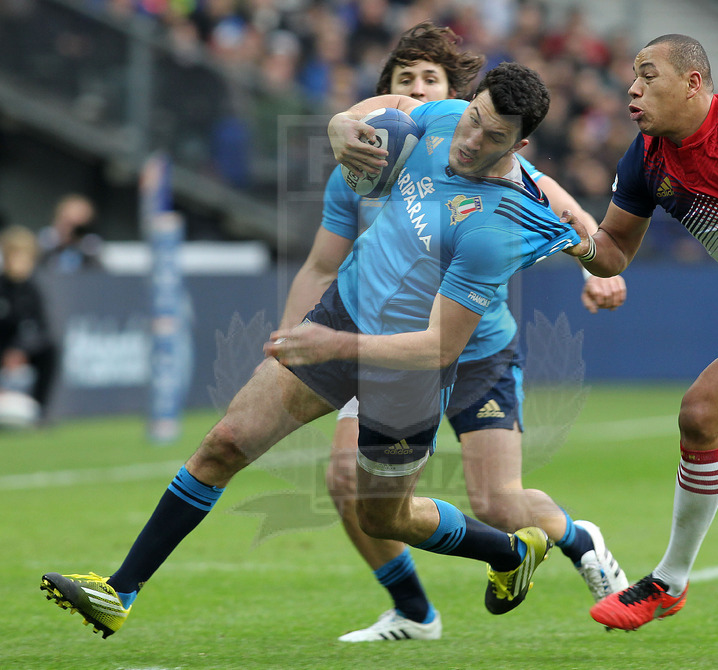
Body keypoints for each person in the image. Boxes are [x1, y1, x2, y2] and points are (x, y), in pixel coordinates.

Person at [40, 61, 595, 639]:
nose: (471, 138)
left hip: (409, 375)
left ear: (519, 145)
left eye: (492, 137)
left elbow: (438, 348)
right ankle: (117, 592)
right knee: (225, 443)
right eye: (473, 118)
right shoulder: (445, 116)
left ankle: (506, 554)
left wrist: (598, 263)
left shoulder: (496, 225)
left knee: (385, 515)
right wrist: (338, 123)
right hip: (346, 311)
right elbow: (395, 112)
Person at [280, 22, 628, 642]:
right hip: (386, 342)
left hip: (475, 348)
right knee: (345, 483)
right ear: (389, 95)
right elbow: (321, 264)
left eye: (429, 81)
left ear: (453, 99)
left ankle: (579, 540)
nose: (416, 90)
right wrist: (291, 338)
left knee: (497, 503)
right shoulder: (361, 162)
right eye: (403, 80)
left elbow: (563, 210)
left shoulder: (486, 159)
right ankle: (414, 612)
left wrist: (595, 263)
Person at [562, 34, 718, 631]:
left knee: (701, 413)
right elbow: (613, 251)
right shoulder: (645, 158)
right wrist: (563, 233)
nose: (633, 89)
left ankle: (667, 582)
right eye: (631, 79)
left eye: (648, 75)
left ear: (694, 83)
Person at [0, 225, 58, 423]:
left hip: (22, 350)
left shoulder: (33, 289)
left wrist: (20, 349)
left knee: (50, 350)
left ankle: (40, 413)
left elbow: (40, 327)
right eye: (15, 255)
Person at [37, 194, 104, 273]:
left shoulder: (89, 252)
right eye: (67, 223)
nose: (70, 231)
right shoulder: (42, 246)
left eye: (77, 228)